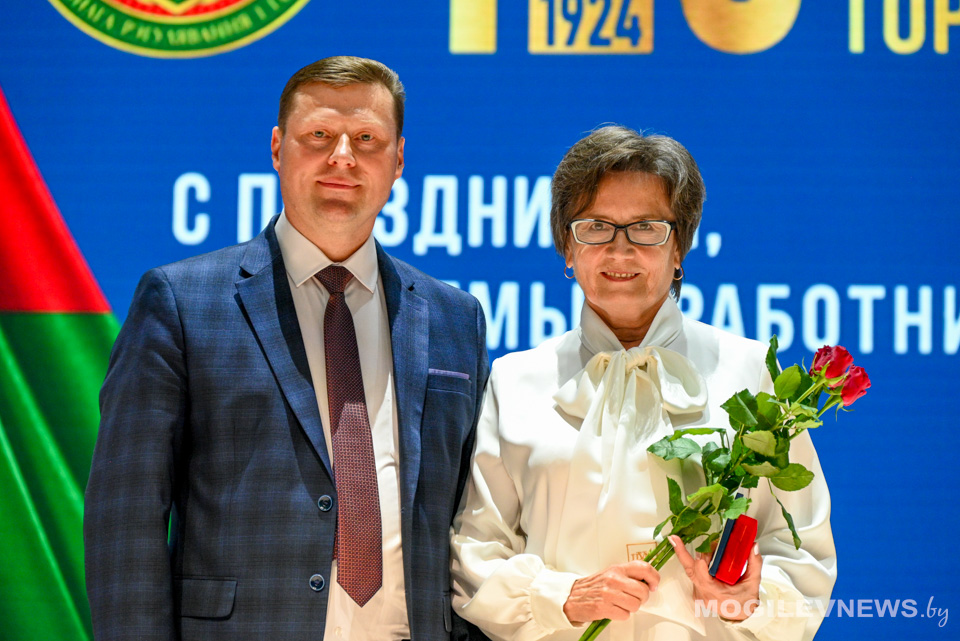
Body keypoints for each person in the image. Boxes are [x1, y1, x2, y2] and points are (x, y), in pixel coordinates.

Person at [85, 56, 489, 641]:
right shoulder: (180, 301)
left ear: (399, 159)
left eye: (367, 139)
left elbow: (474, 523)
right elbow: (126, 519)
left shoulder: (455, 318)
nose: (343, 157)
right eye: (319, 135)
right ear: (278, 148)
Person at [450, 126, 836, 641]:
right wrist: (562, 597)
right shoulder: (516, 380)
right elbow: (474, 552)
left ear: (679, 249)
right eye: (596, 227)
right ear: (567, 248)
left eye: (646, 228)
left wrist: (749, 602)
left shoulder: (747, 372)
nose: (620, 250)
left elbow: (803, 553)